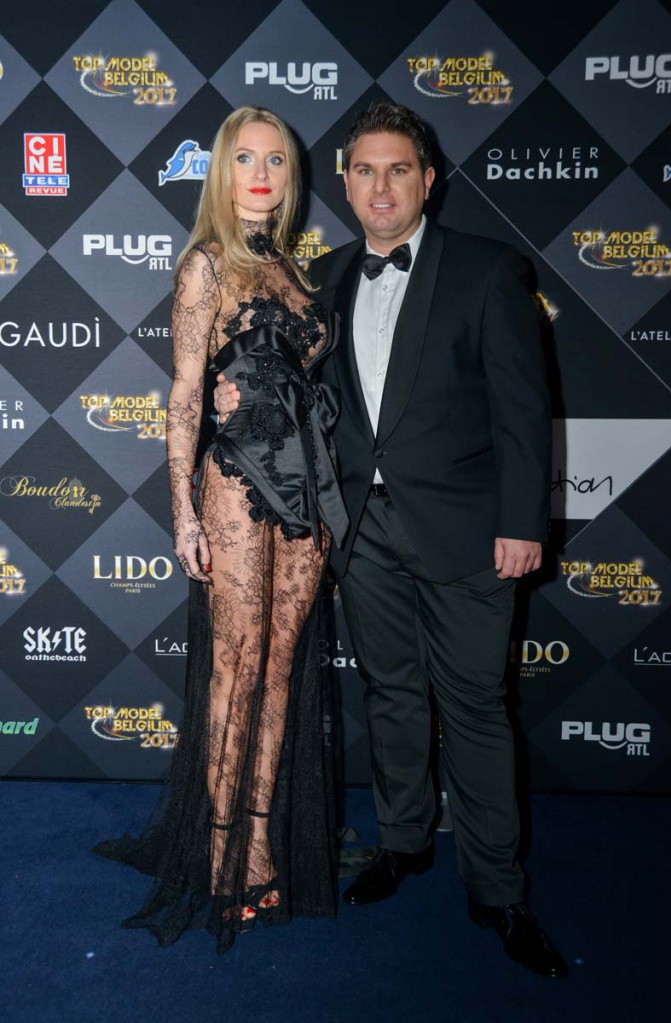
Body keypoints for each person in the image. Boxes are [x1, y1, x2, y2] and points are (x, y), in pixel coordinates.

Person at [216, 103, 567, 978]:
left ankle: (497, 889)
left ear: (427, 179)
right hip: (361, 532)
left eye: (398, 170)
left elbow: (524, 410)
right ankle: (404, 842)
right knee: (391, 695)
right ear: (344, 183)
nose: (380, 187)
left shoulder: (488, 269)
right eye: (364, 171)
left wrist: (522, 521)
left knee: (475, 706)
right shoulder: (323, 277)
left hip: (469, 533)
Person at [93, 106, 348, 953]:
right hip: (236, 480)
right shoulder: (206, 262)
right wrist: (182, 512)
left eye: (275, 159)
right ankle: (217, 854)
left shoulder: (293, 269)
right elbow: (184, 393)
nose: (262, 173)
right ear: (221, 171)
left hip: (305, 488)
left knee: (279, 671)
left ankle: (261, 845)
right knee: (233, 672)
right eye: (245, 158)